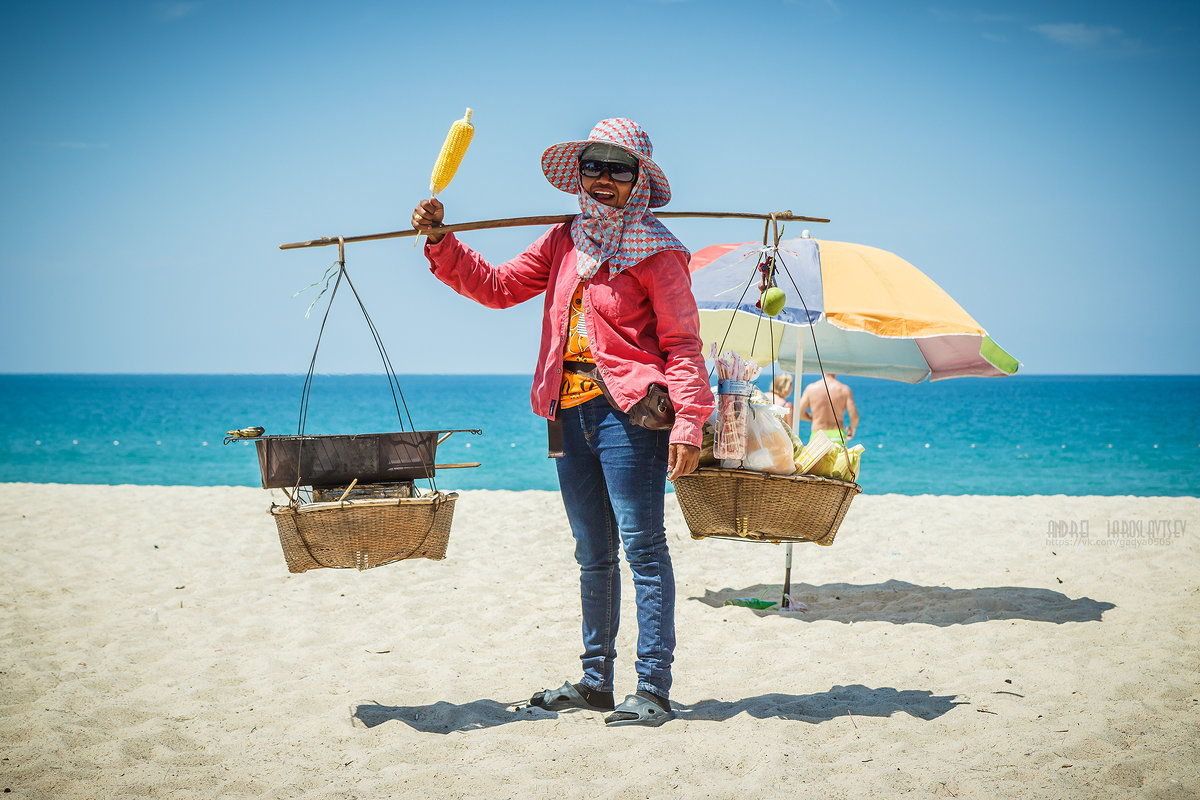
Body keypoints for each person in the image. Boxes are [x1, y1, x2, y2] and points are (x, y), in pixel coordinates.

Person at [411, 118, 714, 728]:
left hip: (631, 415)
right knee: (592, 554)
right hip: (567, 410)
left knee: (643, 549)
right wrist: (442, 241)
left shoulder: (660, 253)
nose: (603, 180)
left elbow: (682, 345)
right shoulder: (563, 241)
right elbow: (496, 287)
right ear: (579, 174)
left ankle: (652, 687)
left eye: (618, 170)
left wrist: (690, 422)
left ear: (639, 182)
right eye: (593, 167)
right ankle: (597, 682)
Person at [795, 373, 859, 444]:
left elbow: (799, 413)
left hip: (818, 435)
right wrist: (852, 429)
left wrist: (814, 418)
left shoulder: (810, 389)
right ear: (835, 372)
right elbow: (854, 417)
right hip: (837, 435)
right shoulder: (844, 389)